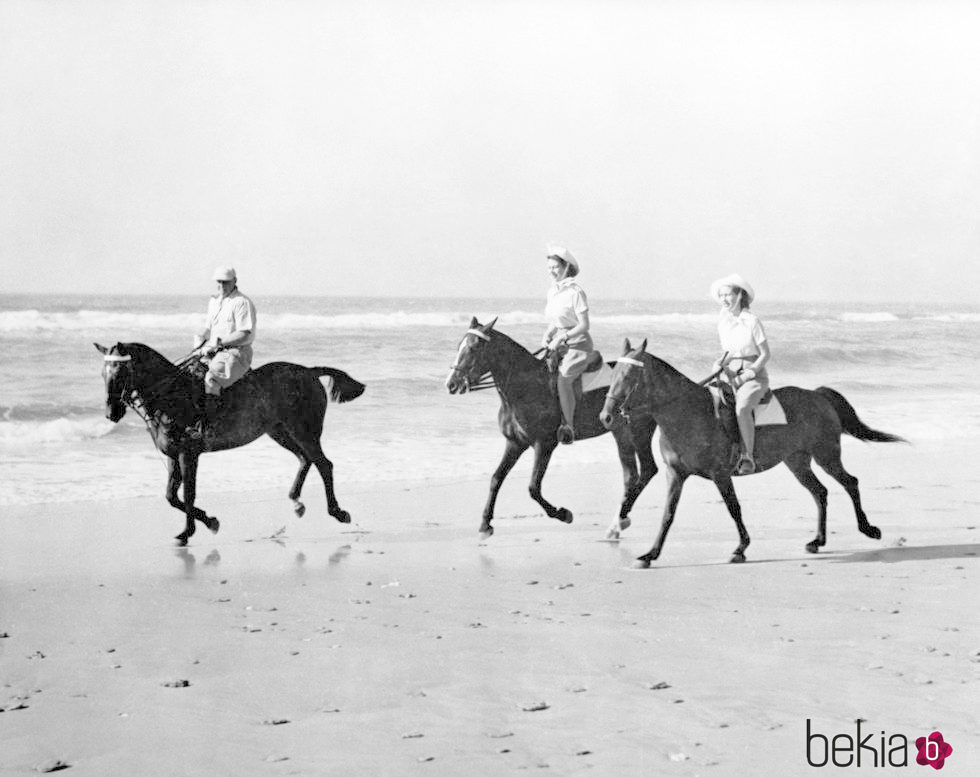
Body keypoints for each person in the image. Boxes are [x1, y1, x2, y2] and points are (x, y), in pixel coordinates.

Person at [185, 266, 257, 439]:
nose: (222, 285)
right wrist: (199, 340)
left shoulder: (241, 302)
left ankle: (209, 427)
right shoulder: (214, 301)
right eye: (219, 282)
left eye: (225, 282)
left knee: (211, 379)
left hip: (236, 352)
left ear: (234, 281)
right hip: (214, 351)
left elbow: (244, 333)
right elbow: (208, 328)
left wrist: (218, 344)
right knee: (189, 372)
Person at [710, 273, 770, 474]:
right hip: (729, 371)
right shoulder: (724, 321)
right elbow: (729, 352)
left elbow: (765, 354)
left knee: (742, 408)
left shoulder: (752, 321)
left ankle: (747, 457)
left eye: (727, 294)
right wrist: (720, 363)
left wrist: (749, 374)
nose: (724, 299)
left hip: (753, 374)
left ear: (739, 295)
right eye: (721, 296)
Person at [541, 244, 594, 445]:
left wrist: (562, 338)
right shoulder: (552, 292)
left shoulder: (576, 292)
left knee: (563, 380)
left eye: (555, 267)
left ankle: (569, 427)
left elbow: (584, 325)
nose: (551, 272)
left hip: (578, 345)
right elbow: (556, 321)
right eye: (549, 268)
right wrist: (549, 333)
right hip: (559, 343)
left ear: (566, 267)